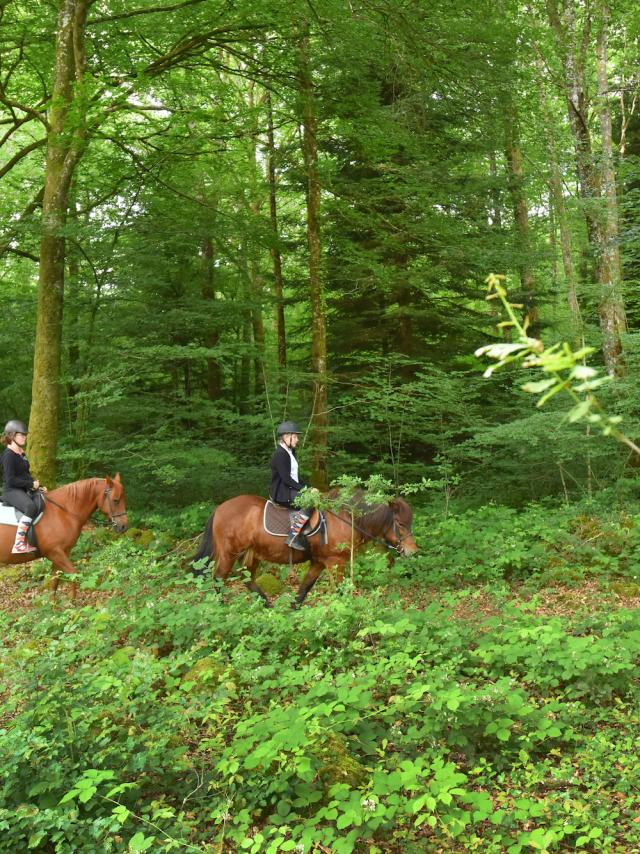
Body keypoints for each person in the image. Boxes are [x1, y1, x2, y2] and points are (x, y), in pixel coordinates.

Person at [1, 419, 45, 553]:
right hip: (11, 491)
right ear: (11, 436)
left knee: (43, 499)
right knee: (30, 507)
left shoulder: (21, 454)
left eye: (25, 435)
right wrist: (30, 484)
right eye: (21, 435)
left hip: (21, 489)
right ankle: (19, 544)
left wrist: (38, 486)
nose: (25, 437)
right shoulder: (8, 456)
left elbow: (25, 474)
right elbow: (11, 480)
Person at [270, 421, 315, 550]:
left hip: (290, 488)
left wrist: (309, 488)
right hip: (283, 491)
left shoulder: (290, 452)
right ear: (285, 437)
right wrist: (306, 492)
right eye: (294, 436)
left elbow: (296, 477)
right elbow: (286, 479)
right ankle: (293, 536)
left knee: (314, 496)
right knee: (310, 502)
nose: (297, 439)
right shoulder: (280, 454)